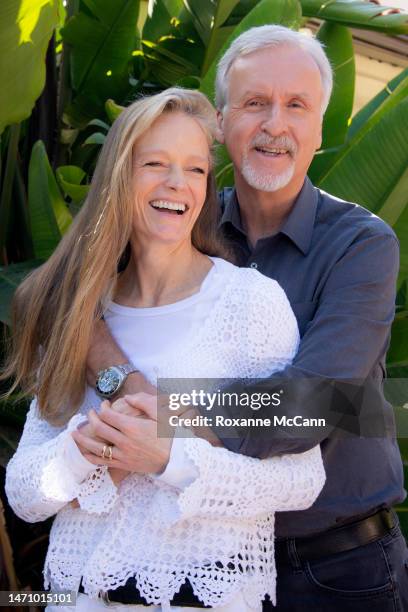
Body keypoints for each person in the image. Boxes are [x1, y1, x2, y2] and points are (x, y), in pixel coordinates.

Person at [85, 26, 408, 612]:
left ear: (318, 128)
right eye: (255, 103)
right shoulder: (177, 218)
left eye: (296, 106)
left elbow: (313, 404)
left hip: (335, 568)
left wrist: (162, 407)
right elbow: (78, 308)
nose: (274, 125)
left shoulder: (362, 246)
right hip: (207, 565)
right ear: (224, 122)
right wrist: (120, 377)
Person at [3, 88, 326, 612]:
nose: (177, 183)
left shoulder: (250, 302)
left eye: (195, 169)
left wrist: (168, 458)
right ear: (119, 177)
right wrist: (84, 451)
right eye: (155, 163)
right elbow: (24, 494)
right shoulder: (80, 314)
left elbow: (301, 477)